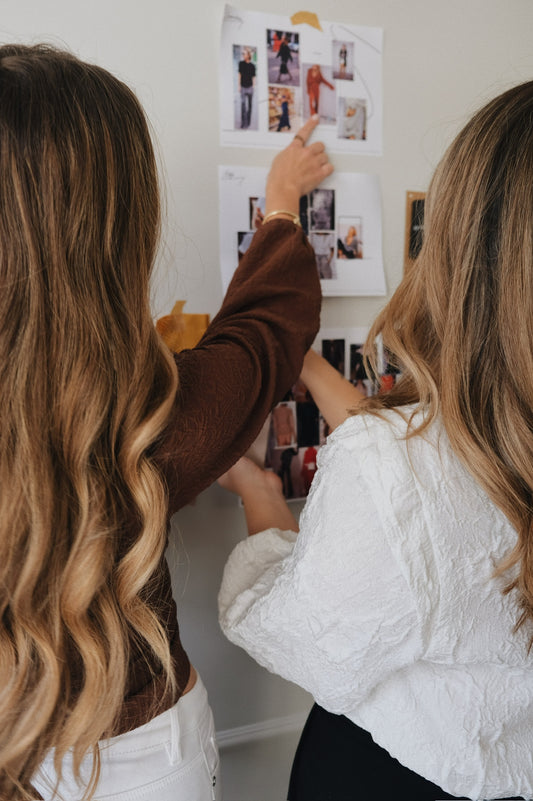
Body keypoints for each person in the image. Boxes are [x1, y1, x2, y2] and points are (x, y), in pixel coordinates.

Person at [0, 44, 333, 801]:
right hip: (142, 760)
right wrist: (280, 204)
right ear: (115, 229)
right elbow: (265, 332)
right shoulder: (154, 416)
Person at [218, 81, 533, 801]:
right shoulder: (445, 445)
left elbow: (290, 634)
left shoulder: (397, 465)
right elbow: (432, 468)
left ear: (458, 247)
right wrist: (298, 357)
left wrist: (261, 494)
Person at [237, 47, 255, 129]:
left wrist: (253, 87)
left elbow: (253, 77)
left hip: (250, 87)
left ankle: (248, 122)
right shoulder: (241, 63)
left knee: (250, 106)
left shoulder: (252, 66)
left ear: (248, 55)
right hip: (243, 87)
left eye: (244, 53)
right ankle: (243, 122)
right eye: (242, 53)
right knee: (243, 105)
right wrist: (239, 86)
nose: (243, 55)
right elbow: (239, 75)